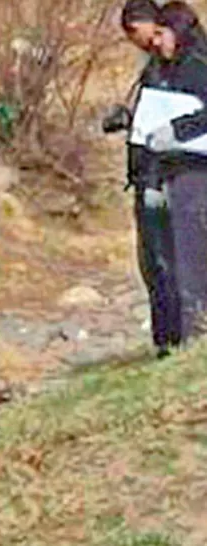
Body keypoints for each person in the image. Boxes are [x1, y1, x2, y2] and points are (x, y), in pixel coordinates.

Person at [106, 0, 184, 359]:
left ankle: (173, 338)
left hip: (163, 176)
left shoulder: (181, 64)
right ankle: (165, 337)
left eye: (134, 34)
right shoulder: (157, 66)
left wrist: (154, 180)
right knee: (153, 263)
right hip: (148, 175)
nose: (138, 43)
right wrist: (128, 117)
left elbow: (171, 122)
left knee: (164, 261)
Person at [141, 1, 207, 343]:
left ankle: (197, 329)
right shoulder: (165, 69)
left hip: (197, 170)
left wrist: (178, 130)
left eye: (162, 33)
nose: (156, 42)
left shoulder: (197, 66)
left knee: (193, 254)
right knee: (175, 255)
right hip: (173, 170)